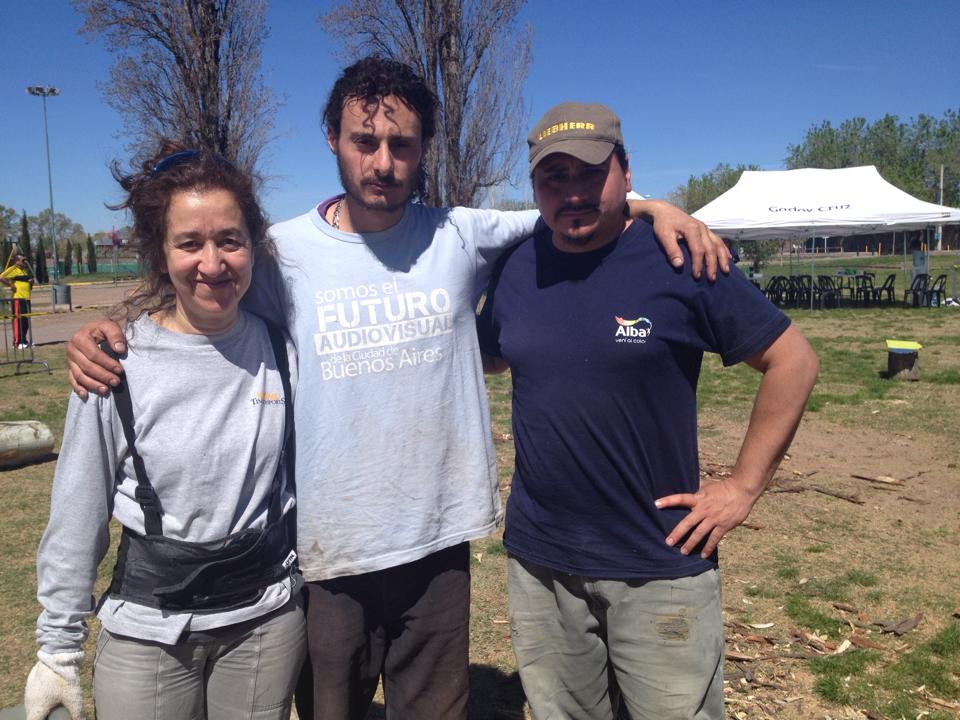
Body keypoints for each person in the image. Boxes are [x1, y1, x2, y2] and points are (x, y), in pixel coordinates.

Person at [64, 58, 730, 720]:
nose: (382, 162)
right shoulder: (279, 254)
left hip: (437, 544)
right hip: (328, 552)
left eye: (401, 144)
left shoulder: (460, 235)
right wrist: (106, 328)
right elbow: (200, 284)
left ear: (424, 149)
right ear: (333, 139)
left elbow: (569, 211)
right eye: (364, 141)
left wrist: (650, 207)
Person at [477, 102, 819, 720]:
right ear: (534, 186)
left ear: (626, 172)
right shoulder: (517, 267)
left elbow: (792, 361)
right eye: (554, 177)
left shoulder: (680, 258)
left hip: (659, 563)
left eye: (591, 173)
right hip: (541, 561)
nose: (573, 193)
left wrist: (743, 487)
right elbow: (494, 355)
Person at [26, 145, 305, 720]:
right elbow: (78, 508)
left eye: (229, 240)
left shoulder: (282, 351)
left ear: (253, 246)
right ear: (159, 253)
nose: (212, 263)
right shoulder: (115, 363)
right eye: (189, 243)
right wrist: (58, 647)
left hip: (265, 625)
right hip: (148, 632)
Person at [1, 253, 34, 348]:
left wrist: (31, 283)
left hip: (26, 298)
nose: (25, 262)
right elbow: (1, 277)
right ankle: (17, 342)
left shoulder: (24, 271)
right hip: (18, 299)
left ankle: (24, 341)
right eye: (23, 260)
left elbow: (27, 285)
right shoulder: (13, 269)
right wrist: (11, 285)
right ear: (17, 262)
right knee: (18, 321)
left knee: (25, 322)